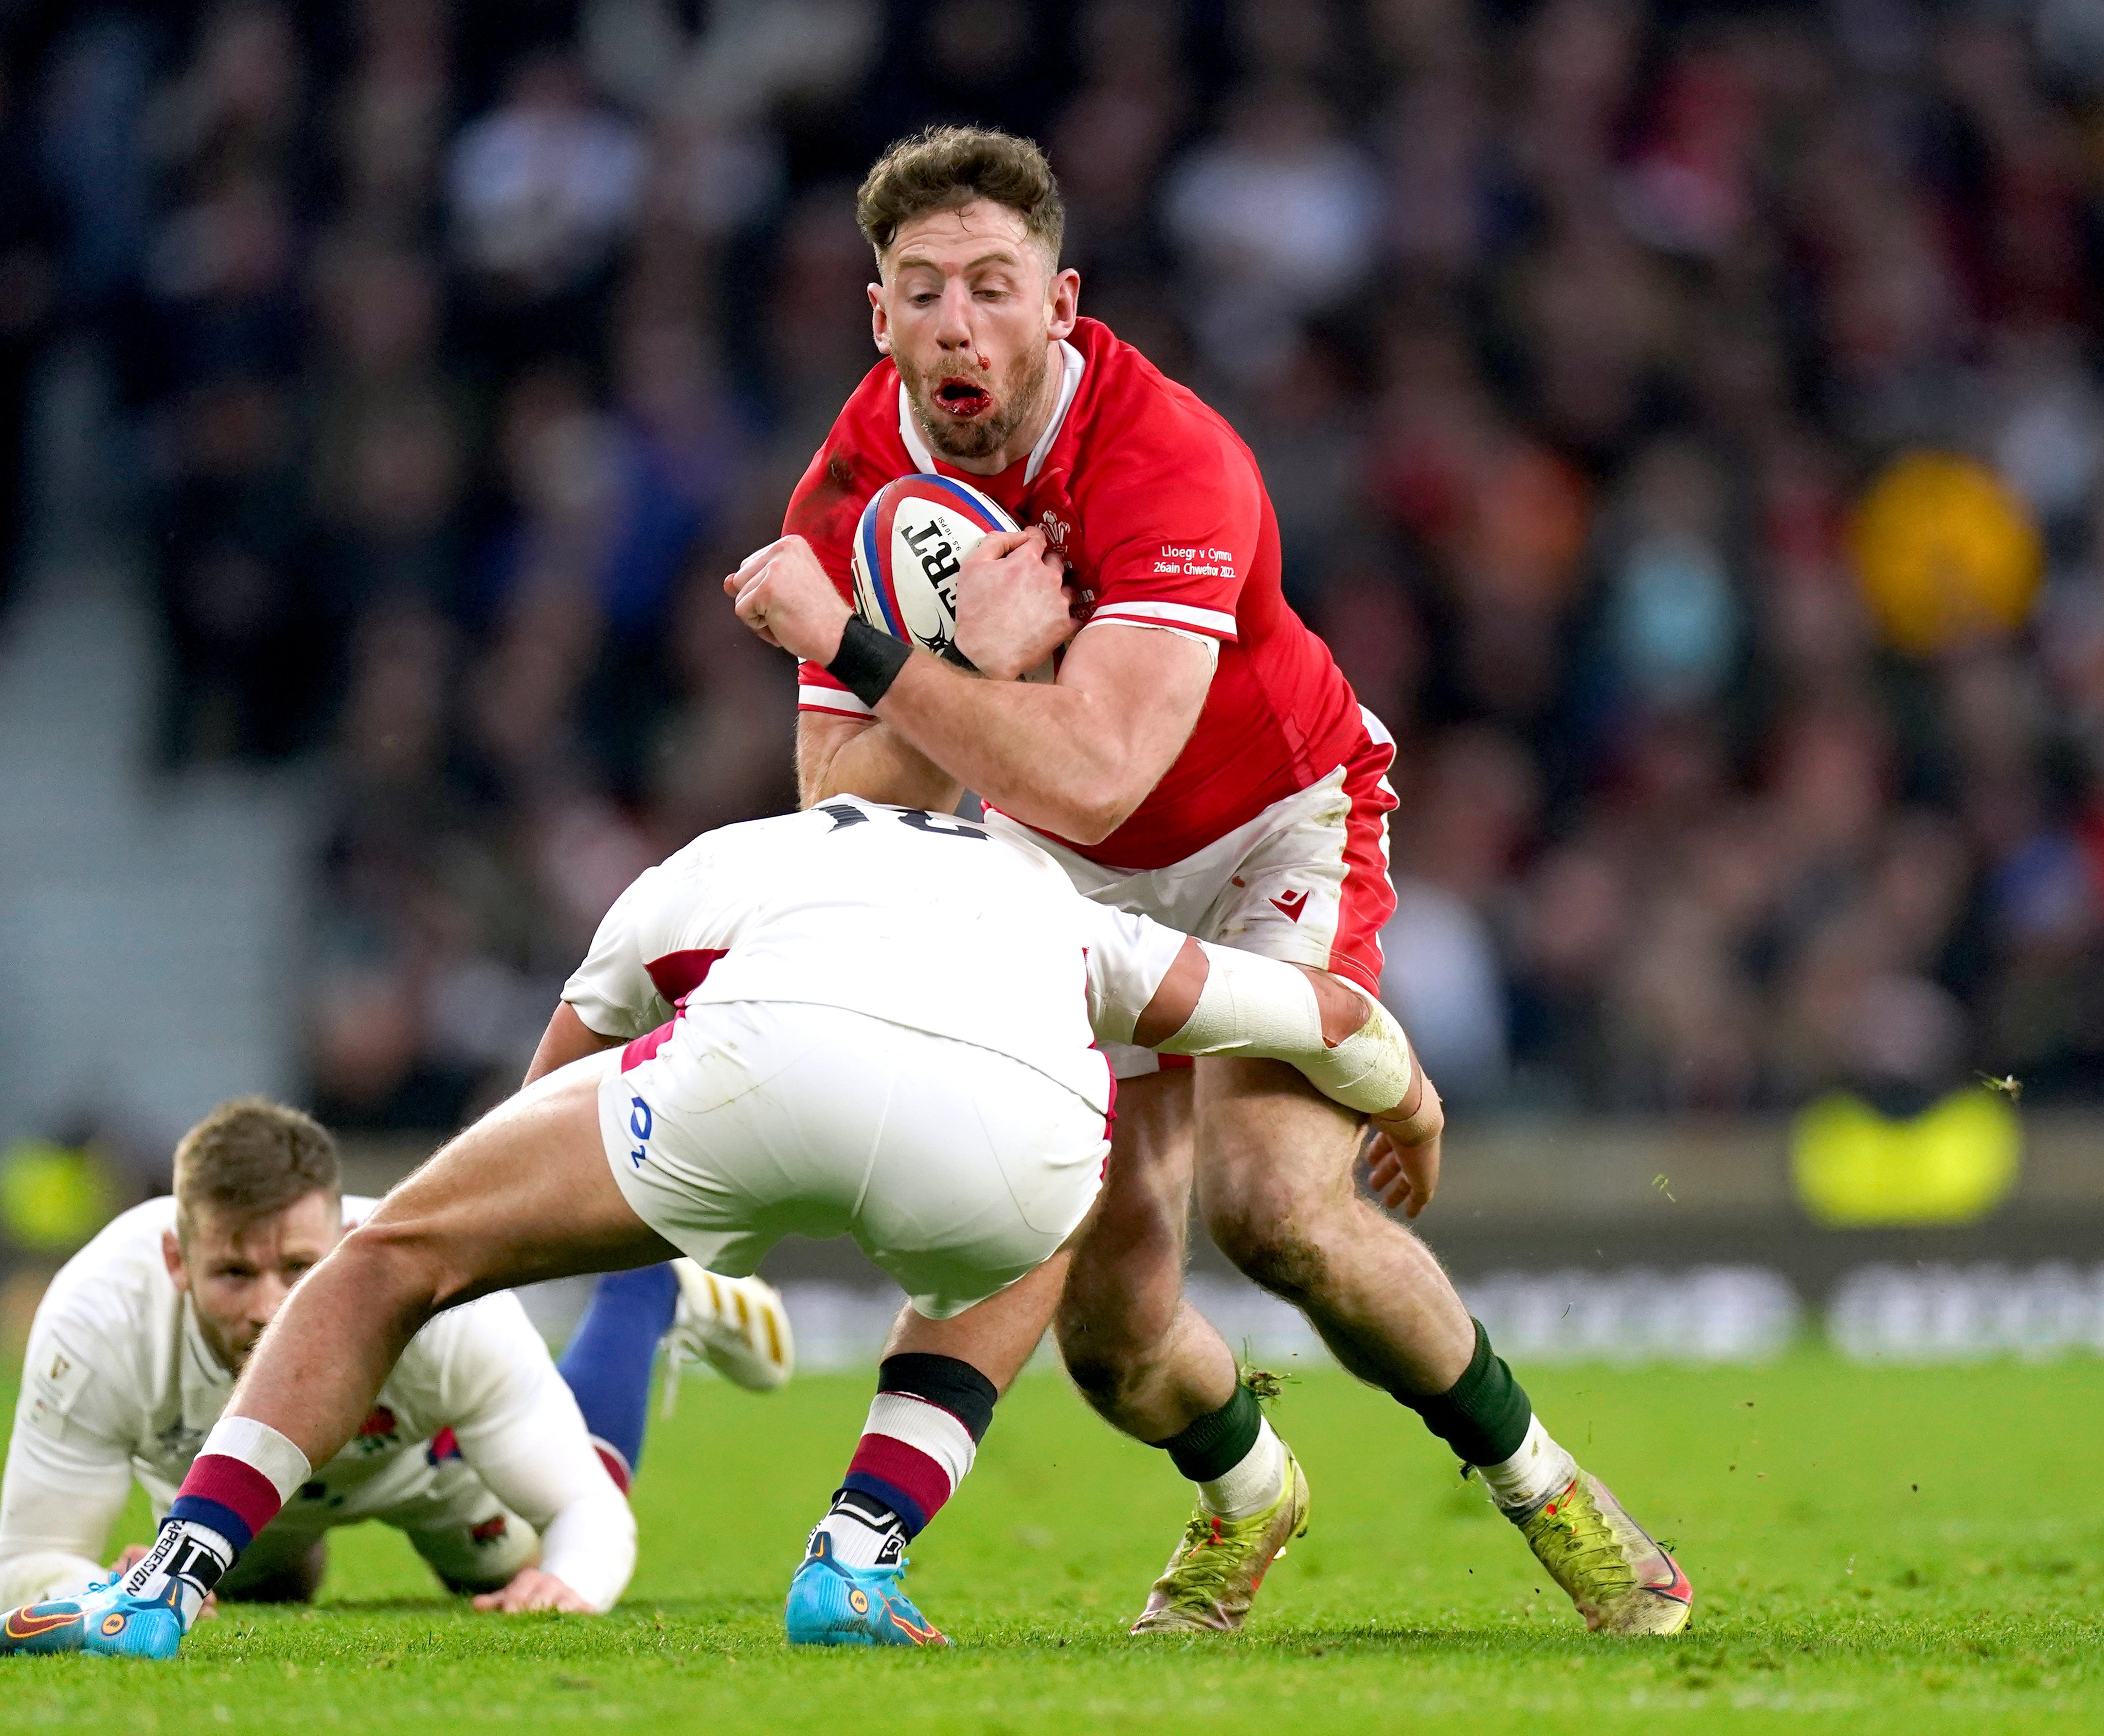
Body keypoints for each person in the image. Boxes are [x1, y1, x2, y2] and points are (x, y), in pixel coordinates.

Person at [723, 125, 1689, 1637]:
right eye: (922, 292)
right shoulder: (849, 484)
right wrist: (963, 656)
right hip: (1055, 878)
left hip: (1268, 831)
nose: (957, 324)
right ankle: (1249, 1492)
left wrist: (865, 650)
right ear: (878, 314)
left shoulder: (1171, 456)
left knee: (1276, 1214)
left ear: (1061, 301)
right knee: (1108, 1334)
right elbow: (848, 817)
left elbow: (1108, 767)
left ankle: (1551, 1488)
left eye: (994, 285)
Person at [0, 794, 1445, 1656]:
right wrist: (1408, 1100)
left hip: (750, 1073)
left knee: (387, 1256)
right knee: (1048, 1223)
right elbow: (1320, 1014)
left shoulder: (725, 861)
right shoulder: (1067, 905)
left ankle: (167, 1586)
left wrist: (469, 1248)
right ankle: (858, 1553)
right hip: (1003, 1128)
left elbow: (542, 1098)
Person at [0, 1096, 789, 1630]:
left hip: (426, 1471)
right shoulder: (99, 1315)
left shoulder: (439, 1301)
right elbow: (26, 1560)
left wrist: (571, 1586)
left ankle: (643, 1293)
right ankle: (287, 1551)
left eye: (299, 1270)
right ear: (175, 1259)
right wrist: (93, 1589)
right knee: (263, 1594)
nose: (268, 1308)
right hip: (232, 1507)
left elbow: (588, 1514)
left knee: (513, 1564)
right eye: (233, 1273)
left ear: (341, 1244)